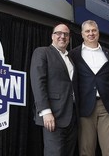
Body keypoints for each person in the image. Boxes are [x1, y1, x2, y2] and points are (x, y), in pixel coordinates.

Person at [69, 20, 109, 156]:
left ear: (98, 32)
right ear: (82, 34)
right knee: (86, 150)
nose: (91, 33)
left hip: (107, 106)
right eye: (87, 31)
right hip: (85, 107)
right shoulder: (73, 54)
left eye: (94, 30)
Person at [30, 23, 78, 156]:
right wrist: (45, 111)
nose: (62, 36)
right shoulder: (42, 52)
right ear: (52, 36)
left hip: (72, 117)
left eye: (66, 34)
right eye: (58, 33)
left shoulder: (71, 59)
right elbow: (38, 82)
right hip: (53, 115)